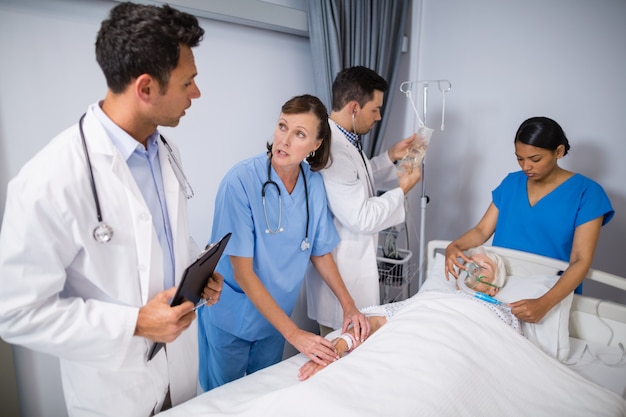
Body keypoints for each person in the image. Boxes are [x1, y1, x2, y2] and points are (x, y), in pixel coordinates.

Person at [0, 3, 224, 416]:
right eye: (188, 82)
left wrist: (197, 270)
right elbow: (17, 313)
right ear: (145, 88)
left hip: (181, 376)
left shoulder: (165, 150)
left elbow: (158, 242)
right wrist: (135, 324)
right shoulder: (50, 178)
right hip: (115, 392)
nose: (196, 93)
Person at [197, 94, 370, 391]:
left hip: (274, 320)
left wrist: (349, 304)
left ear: (316, 145)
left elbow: (320, 251)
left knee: (264, 397)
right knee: (222, 403)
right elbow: (243, 272)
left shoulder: (312, 182)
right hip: (232, 315)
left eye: (299, 134)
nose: (284, 140)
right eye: (282, 126)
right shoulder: (239, 183)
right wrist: (295, 335)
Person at [445, 116, 614, 324]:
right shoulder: (511, 183)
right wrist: (455, 246)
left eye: (535, 159)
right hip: (498, 283)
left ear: (558, 152)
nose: (526, 167)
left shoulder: (587, 193)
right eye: (519, 158)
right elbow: (481, 231)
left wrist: (544, 303)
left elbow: (580, 260)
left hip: (546, 291)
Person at [305, 66, 423, 336]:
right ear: (355, 107)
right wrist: (402, 190)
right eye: (375, 109)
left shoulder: (346, 141)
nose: (379, 116)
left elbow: (361, 178)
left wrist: (391, 155)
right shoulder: (333, 150)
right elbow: (361, 217)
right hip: (342, 278)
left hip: (352, 270)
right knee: (340, 357)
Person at [299, 247, 515, 381]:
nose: (473, 268)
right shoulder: (430, 297)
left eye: (483, 267)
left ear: (493, 289)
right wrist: (337, 348)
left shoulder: (500, 313)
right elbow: (373, 323)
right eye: (469, 263)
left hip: (449, 364)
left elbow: (503, 351)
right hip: (401, 353)